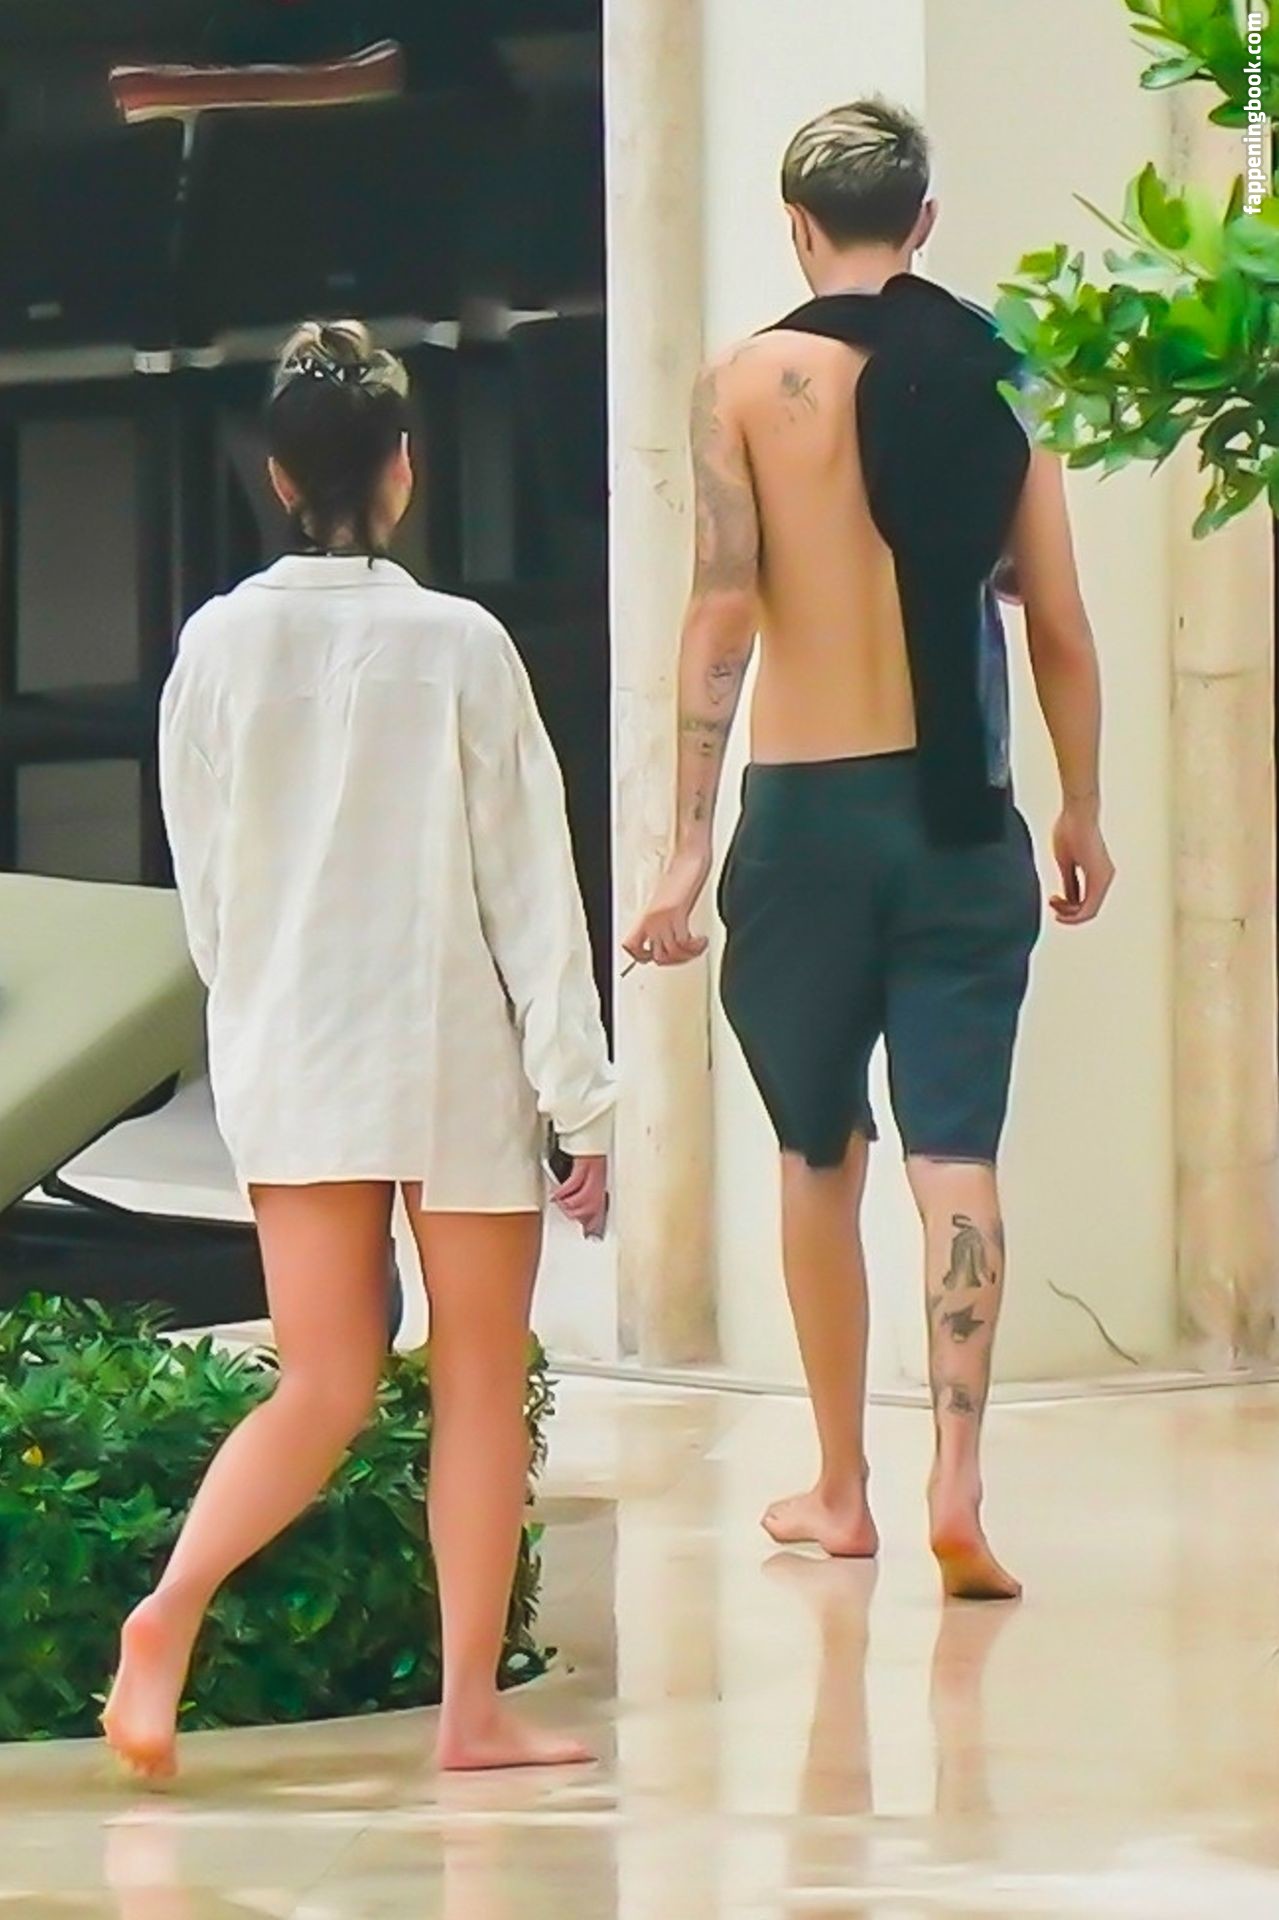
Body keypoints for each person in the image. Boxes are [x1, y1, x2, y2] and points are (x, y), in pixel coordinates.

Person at [103, 320, 614, 1778]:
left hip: (299, 1053)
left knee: (321, 1384)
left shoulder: (215, 647)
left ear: (276, 476)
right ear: (404, 468)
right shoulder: (461, 646)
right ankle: (469, 1713)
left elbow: (208, 884)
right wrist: (580, 1099)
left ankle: (168, 1614)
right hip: (450, 1051)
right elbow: (531, 887)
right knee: (478, 1380)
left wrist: (260, 1014)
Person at [624, 99, 1114, 1601]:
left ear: (795, 225)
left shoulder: (745, 383)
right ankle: (958, 1473)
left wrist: (684, 849)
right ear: (925, 223)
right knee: (955, 1149)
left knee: (816, 1150)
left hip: (805, 824)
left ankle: (841, 1487)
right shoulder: (998, 373)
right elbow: (1059, 625)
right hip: (961, 814)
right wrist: (1081, 808)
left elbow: (720, 612)